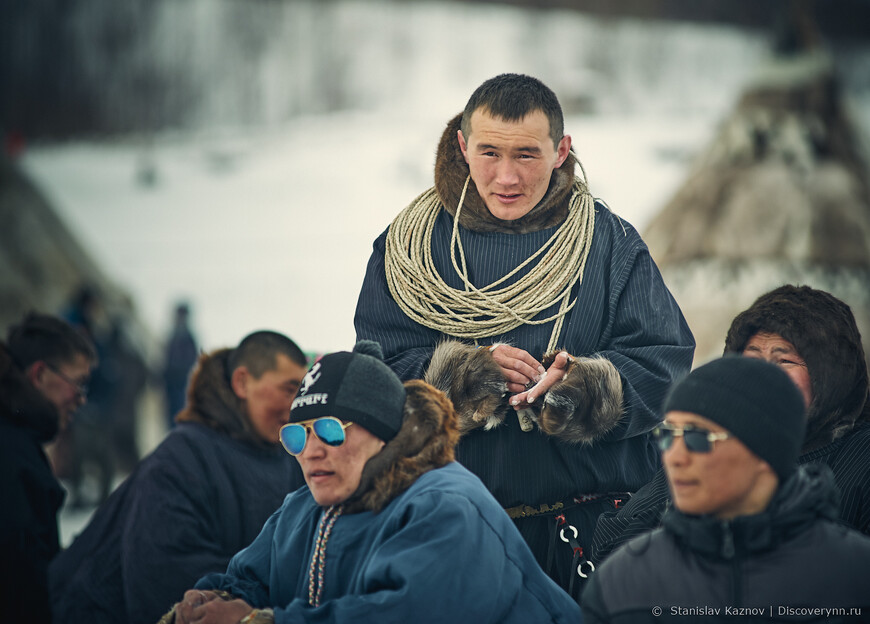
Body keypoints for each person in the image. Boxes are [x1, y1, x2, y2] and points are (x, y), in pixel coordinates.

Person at [354, 72, 695, 596]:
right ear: (463, 146)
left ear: (561, 151)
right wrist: (463, 379)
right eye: (489, 152)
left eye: (527, 155)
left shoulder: (611, 244)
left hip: (599, 536)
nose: (506, 177)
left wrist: (583, 388)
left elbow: (664, 363)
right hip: (451, 535)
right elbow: (375, 378)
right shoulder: (406, 249)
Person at [160, 340, 582, 624]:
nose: (310, 451)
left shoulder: (446, 504)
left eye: (328, 430)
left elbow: (406, 613)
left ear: (382, 433)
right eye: (296, 434)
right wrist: (205, 602)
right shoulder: (301, 510)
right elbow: (248, 581)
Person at [591, 285, 870, 564]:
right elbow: (613, 544)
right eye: (752, 359)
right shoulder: (706, 442)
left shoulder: (861, 459)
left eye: (784, 360)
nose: (762, 374)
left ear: (830, 374)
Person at [581, 356, 870, 623]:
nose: (674, 457)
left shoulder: (854, 575)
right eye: (668, 436)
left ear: (764, 449)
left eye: (697, 437)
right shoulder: (622, 581)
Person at [49, 330, 310, 624]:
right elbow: (163, 574)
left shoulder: (293, 460)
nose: (296, 404)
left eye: (302, 392)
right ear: (242, 382)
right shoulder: (180, 459)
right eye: (289, 389)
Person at [0, 312, 97, 624]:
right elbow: (20, 585)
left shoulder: (17, 441)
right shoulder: (13, 456)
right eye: (78, 384)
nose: (81, 400)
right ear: (40, 374)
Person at [162, 302, 199, 429]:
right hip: (171, 387)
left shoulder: (188, 339)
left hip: (182, 387)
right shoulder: (173, 337)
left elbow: (191, 363)